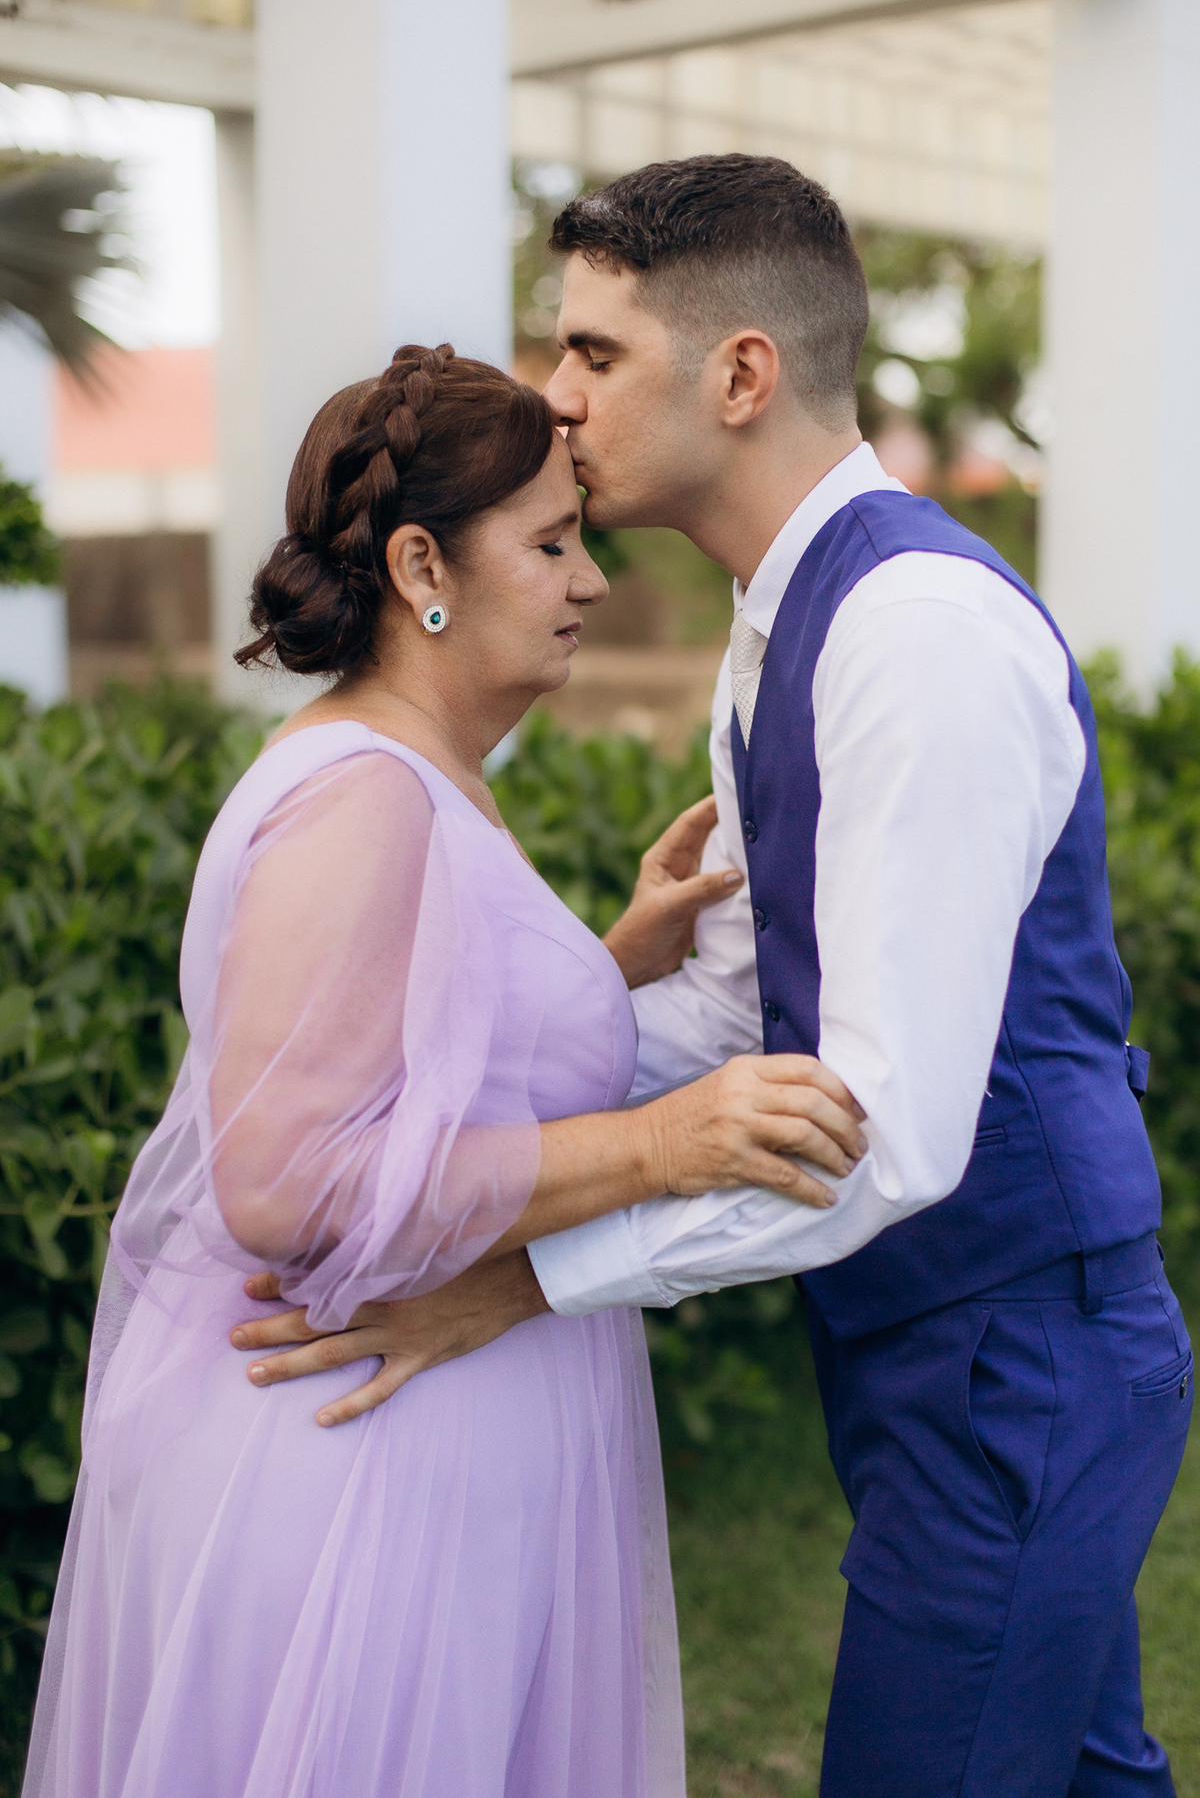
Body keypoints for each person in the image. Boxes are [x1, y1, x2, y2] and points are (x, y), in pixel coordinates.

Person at [239, 160, 1194, 1797]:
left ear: (741, 374)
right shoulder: (782, 632)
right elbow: (752, 1011)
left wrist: (514, 1279)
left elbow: (879, 1132)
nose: (556, 392)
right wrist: (445, 1101)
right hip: (937, 1343)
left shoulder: (912, 637)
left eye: (597, 354)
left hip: (1021, 1352)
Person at [22, 344, 875, 1798]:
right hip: (364, 1481)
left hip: (434, 1446)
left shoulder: (413, 772)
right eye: (550, 543)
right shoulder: (360, 796)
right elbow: (292, 1182)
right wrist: (666, 1145)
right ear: (423, 562)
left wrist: (610, 967)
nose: (592, 580)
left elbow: (413, 1061)